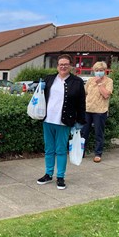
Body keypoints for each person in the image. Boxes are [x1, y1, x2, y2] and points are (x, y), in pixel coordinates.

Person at [37, 54, 86, 190]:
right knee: (49, 150)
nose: (63, 66)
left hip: (64, 121)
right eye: (60, 64)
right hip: (48, 120)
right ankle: (48, 174)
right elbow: (40, 97)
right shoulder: (49, 79)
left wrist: (80, 121)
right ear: (57, 66)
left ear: (70, 66)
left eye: (66, 64)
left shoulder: (77, 82)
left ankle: (60, 177)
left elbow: (81, 103)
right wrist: (39, 87)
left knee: (61, 151)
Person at [81, 61, 113, 163]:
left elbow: (106, 95)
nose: (99, 72)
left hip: (100, 110)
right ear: (93, 71)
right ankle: (81, 152)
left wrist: (99, 83)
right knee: (83, 132)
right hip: (88, 109)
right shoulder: (90, 80)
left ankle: (98, 154)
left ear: (105, 71)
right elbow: (85, 93)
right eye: (97, 70)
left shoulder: (108, 81)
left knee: (98, 133)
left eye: (101, 70)